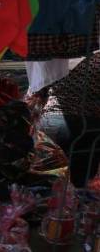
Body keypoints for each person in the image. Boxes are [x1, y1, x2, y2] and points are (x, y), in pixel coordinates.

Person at [31, 52, 100, 187]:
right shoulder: (97, 59)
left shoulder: (56, 58)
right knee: (81, 184)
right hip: (88, 126)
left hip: (52, 123)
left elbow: (36, 93)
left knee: (48, 182)